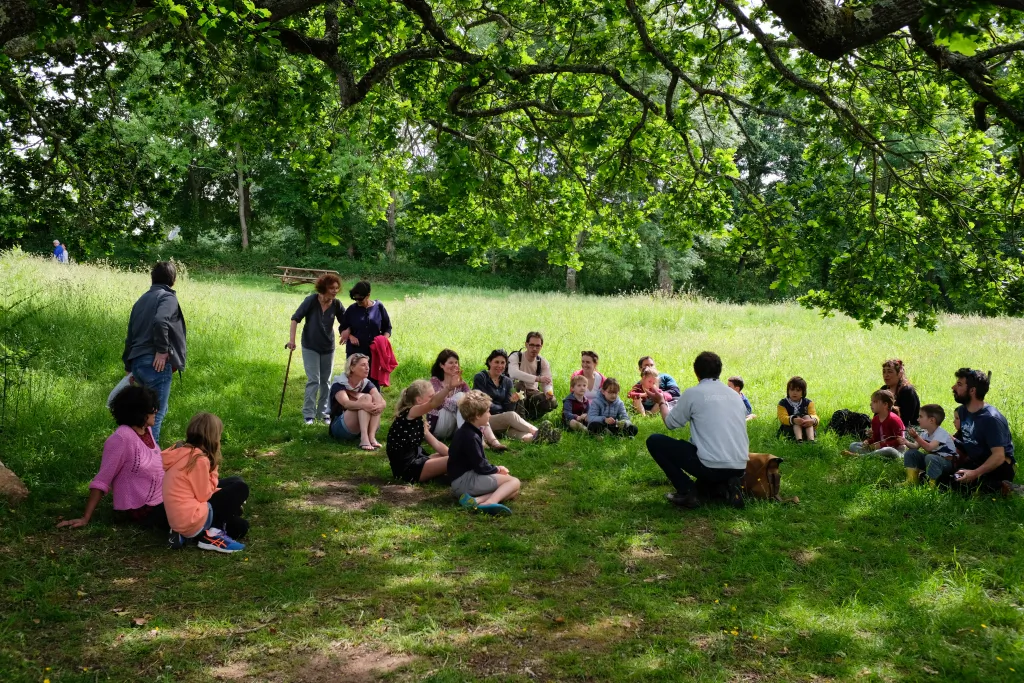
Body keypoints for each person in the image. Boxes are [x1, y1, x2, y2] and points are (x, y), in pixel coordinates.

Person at [645, 351, 748, 509]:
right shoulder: (735, 396)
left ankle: (687, 491)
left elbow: (671, 423)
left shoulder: (694, 393)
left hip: (710, 464)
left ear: (696, 372)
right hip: (740, 465)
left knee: (655, 441)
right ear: (719, 371)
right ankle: (727, 484)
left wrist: (661, 402)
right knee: (707, 465)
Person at [57, 386, 167, 531]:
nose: (156, 411)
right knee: (191, 508)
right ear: (139, 411)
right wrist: (85, 518)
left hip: (161, 497)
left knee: (204, 497)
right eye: (152, 408)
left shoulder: (146, 430)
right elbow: (102, 480)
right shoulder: (121, 438)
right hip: (141, 507)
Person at [163, 413, 249, 553]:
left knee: (241, 526)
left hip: (180, 517)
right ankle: (213, 534)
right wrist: (213, 469)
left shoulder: (182, 452)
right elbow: (204, 495)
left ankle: (186, 534)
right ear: (213, 437)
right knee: (240, 488)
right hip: (192, 518)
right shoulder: (198, 460)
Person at [122, 261, 187, 444]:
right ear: (173, 280)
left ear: (152, 278)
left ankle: (136, 457)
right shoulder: (167, 298)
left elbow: (130, 334)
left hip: (138, 363)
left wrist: (128, 364)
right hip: (155, 364)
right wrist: (161, 350)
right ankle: (151, 465)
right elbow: (160, 321)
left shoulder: (141, 300)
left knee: (143, 416)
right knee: (154, 417)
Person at [448, 390, 521, 515]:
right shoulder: (470, 436)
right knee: (514, 482)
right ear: (477, 415)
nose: (490, 414)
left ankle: (476, 500)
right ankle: (490, 502)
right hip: (464, 482)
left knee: (512, 491)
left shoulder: (467, 430)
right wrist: (498, 469)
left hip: (461, 481)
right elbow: (481, 466)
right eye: (487, 411)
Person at [287, 273, 345, 426]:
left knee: (326, 381)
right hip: (310, 345)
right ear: (323, 288)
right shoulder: (311, 301)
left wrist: (346, 332)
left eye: (337, 288)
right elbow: (295, 319)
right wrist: (291, 340)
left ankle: (324, 413)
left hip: (328, 347)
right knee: (314, 379)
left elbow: (345, 322)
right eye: (332, 288)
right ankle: (309, 414)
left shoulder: (336, 304)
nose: (335, 291)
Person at [949, 368, 1016, 494]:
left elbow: (999, 456)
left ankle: (1005, 488)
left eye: (959, 384)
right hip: (976, 462)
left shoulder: (991, 419)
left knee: (963, 488)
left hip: (998, 468)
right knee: (948, 479)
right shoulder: (963, 411)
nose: (953, 387)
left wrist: (974, 473)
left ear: (972, 390)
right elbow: (971, 441)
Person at [472, 349, 559, 444]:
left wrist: (512, 401)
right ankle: (538, 431)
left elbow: (508, 408)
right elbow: (480, 403)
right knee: (511, 416)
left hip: (502, 420)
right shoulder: (481, 377)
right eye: (496, 362)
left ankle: (538, 438)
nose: (500, 366)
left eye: (503, 363)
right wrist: (501, 410)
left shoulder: (507, 381)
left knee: (516, 432)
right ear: (489, 362)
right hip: (485, 420)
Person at [386, 380, 456, 483]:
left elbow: (436, 443)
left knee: (455, 457)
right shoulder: (411, 412)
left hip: (417, 460)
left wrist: (453, 454)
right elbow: (433, 403)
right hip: (407, 469)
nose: (434, 397)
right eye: (431, 396)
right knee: (457, 460)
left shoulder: (418, 419)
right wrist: (448, 388)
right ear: (419, 400)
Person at [329, 353, 386, 450]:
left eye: (368, 365)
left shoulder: (366, 383)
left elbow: (381, 400)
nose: (367, 368)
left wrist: (380, 405)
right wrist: (364, 404)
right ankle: (364, 438)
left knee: (371, 399)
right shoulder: (339, 383)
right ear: (352, 368)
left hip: (358, 427)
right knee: (367, 398)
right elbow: (346, 404)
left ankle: (371, 437)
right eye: (363, 365)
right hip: (340, 428)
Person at [340, 281, 391, 388]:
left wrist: (383, 340)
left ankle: (374, 403)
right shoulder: (351, 310)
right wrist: (350, 336)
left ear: (368, 295)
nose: (357, 301)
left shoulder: (379, 307)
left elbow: (387, 327)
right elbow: (342, 327)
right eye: (355, 298)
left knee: (373, 382)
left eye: (360, 299)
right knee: (355, 380)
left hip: (374, 351)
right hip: (355, 351)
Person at [901, 404, 957, 485]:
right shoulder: (925, 432)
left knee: (930, 457)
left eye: (920, 417)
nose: (917, 419)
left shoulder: (941, 433)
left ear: (931, 420)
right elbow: (915, 446)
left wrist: (916, 437)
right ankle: (911, 480)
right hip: (931, 460)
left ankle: (932, 484)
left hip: (946, 463)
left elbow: (929, 448)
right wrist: (905, 442)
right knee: (911, 453)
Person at [507, 332, 558, 420]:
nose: (534, 349)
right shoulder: (516, 356)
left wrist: (548, 392)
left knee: (552, 402)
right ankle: (520, 418)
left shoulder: (542, 362)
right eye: (531, 345)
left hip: (532, 393)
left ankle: (531, 417)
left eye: (538, 346)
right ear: (526, 344)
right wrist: (537, 378)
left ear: (541, 346)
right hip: (513, 392)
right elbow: (513, 373)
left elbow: (547, 381)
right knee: (519, 385)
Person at [843, 389, 905, 458]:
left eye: (875, 402)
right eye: (871, 401)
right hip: (879, 449)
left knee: (888, 450)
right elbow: (876, 439)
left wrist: (881, 445)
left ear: (885, 404)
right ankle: (874, 455)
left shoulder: (894, 419)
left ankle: (859, 456)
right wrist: (868, 442)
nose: (870, 404)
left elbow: (900, 441)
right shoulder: (875, 420)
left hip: (896, 450)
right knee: (853, 445)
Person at [777, 376, 818, 443]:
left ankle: (811, 440)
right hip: (790, 429)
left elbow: (814, 415)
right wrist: (793, 420)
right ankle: (799, 441)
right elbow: (782, 417)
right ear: (788, 391)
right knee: (796, 418)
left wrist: (812, 421)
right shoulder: (783, 403)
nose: (794, 393)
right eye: (792, 390)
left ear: (803, 392)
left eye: (798, 390)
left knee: (807, 417)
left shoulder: (808, 403)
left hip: (805, 427)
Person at [881, 358, 920, 426]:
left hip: (909, 429)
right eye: (884, 372)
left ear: (899, 374)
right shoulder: (883, 389)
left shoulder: (907, 391)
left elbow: (906, 419)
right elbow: (877, 413)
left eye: (890, 372)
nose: (886, 375)